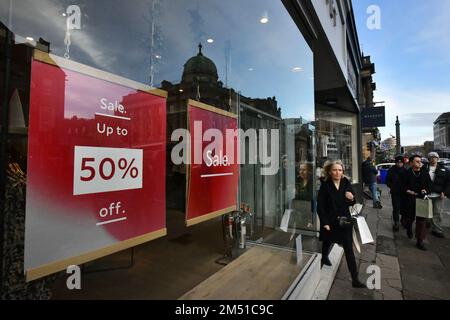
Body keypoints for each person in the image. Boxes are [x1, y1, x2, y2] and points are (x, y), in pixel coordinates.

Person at [317, 160, 365, 288]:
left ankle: (355, 279)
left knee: (349, 249)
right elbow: (320, 206)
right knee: (328, 240)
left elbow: (352, 202)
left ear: (342, 172)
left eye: (340, 170)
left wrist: (352, 198)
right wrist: (325, 222)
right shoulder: (325, 185)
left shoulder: (345, 183)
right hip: (331, 221)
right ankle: (324, 257)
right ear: (330, 172)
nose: (337, 172)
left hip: (344, 220)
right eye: (334, 170)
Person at [401, 155, 432, 250]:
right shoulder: (406, 173)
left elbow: (430, 186)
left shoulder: (425, 173)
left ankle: (420, 241)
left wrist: (425, 190)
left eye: (420, 161)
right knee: (409, 218)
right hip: (409, 200)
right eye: (417, 161)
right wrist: (407, 191)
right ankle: (409, 228)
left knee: (421, 221)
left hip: (421, 199)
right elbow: (401, 186)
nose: (419, 163)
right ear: (411, 163)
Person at [423, 152, 449, 238]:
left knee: (437, 213)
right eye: (431, 157)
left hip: (438, 195)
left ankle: (437, 230)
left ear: (438, 159)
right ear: (428, 159)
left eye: (435, 157)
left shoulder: (444, 169)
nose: (433, 159)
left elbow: (448, 182)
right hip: (426, 194)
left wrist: (444, 192)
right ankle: (428, 223)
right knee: (427, 212)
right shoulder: (423, 168)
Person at [386, 155, 406, 231]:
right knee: (396, 208)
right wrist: (392, 186)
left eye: (401, 163)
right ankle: (396, 222)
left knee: (403, 208)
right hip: (395, 192)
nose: (399, 164)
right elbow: (387, 181)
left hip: (404, 193)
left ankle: (403, 220)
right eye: (398, 163)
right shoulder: (391, 170)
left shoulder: (405, 170)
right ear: (395, 163)